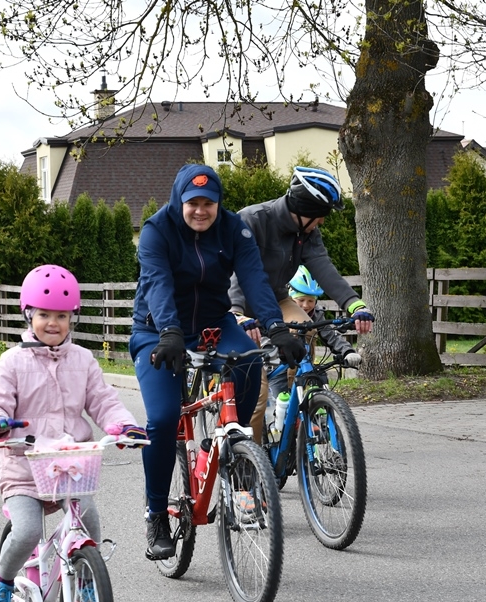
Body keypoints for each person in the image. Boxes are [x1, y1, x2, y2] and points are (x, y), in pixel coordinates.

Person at [130, 164, 307, 561]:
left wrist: (276, 327)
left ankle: (235, 450)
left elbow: (255, 279)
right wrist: (170, 331)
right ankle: (156, 512)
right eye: (192, 203)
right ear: (179, 200)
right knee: (161, 419)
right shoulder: (156, 231)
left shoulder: (233, 229)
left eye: (208, 203)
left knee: (248, 363)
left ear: (218, 203)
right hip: (158, 332)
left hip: (214, 324)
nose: (200, 211)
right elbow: (157, 283)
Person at [0, 264, 147, 602]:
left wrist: (123, 425)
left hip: (69, 468)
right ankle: (3, 580)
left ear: (73, 318)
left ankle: (84, 589)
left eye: (62, 316)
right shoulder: (13, 361)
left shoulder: (83, 360)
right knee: (27, 532)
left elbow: (103, 399)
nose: (53, 323)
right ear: (28, 315)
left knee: (90, 525)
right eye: (44, 315)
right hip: (23, 467)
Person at [227, 166, 374, 441]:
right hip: (238, 304)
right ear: (302, 209)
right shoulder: (252, 219)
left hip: (276, 298)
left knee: (307, 328)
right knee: (256, 396)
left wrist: (355, 305)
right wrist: (235, 312)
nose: (322, 222)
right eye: (319, 216)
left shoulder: (305, 231)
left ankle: (298, 400)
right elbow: (236, 273)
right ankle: (253, 466)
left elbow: (324, 268)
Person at [287, 265, 360, 368]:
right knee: (278, 383)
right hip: (279, 362)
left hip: (305, 366)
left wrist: (347, 351)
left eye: (311, 301)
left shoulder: (316, 314)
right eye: (301, 300)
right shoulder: (281, 311)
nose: (306, 305)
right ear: (291, 297)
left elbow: (330, 335)